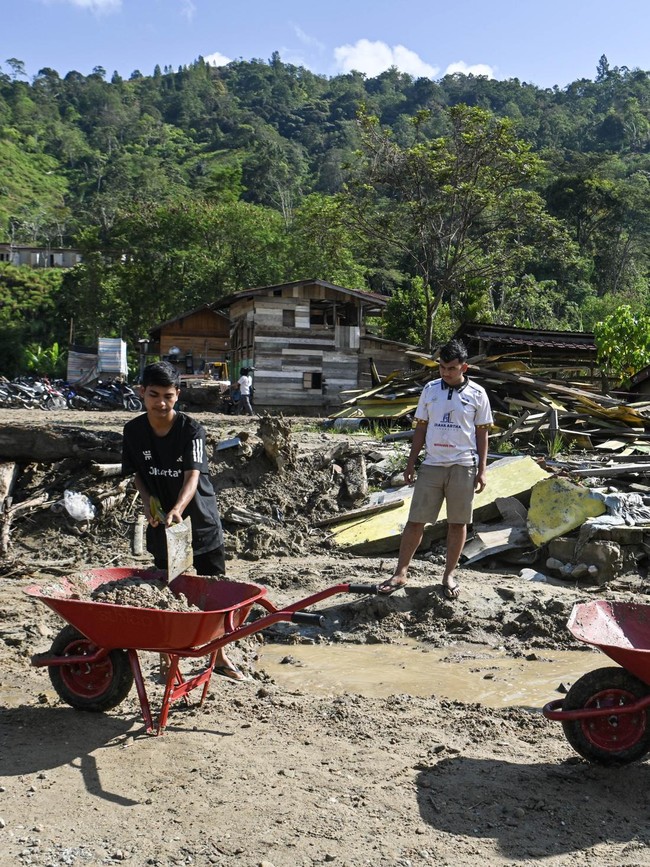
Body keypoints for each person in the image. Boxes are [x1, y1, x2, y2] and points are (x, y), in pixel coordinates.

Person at [122, 360, 245, 681]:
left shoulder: (191, 430)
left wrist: (179, 508)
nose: (161, 403)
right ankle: (168, 661)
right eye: (154, 395)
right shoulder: (133, 431)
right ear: (142, 393)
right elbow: (137, 475)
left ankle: (218, 656)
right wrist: (150, 503)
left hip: (199, 521)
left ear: (178, 395)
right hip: (164, 524)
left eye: (168, 396)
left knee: (213, 594)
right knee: (170, 591)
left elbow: (193, 476)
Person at [378, 339, 493, 599]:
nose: (445, 372)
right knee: (416, 520)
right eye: (442, 367)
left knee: (458, 522)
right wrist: (411, 463)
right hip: (431, 465)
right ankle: (400, 572)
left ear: (464, 367)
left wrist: (482, 469)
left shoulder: (478, 394)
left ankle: (448, 575)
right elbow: (420, 427)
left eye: (451, 368)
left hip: (463, 466)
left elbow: (482, 433)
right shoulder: (430, 390)